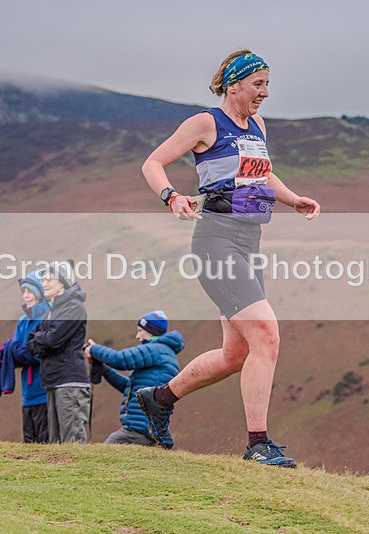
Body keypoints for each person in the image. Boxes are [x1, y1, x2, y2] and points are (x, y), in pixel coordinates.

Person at [136, 50, 320, 467]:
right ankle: (258, 444)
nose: (265, 93)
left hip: (249, 243)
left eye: (268, 84)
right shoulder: (205, 123)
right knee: (267, 335)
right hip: (215, 241)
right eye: (258, 84)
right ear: (233, 83)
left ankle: (160, 399)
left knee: (236, 355)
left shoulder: (257, 125)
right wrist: (172, 196)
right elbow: (153, 163)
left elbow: (262, 173)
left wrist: (292, 199)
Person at [83, 310, 182, 446]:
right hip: (144, 429)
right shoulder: (163, 352)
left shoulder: (156, 350)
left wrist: (94, 349)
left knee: (98, 457)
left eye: (140, 330)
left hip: (136, 430)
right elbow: (129, 387)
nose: (137, 336)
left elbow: (120, 359)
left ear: (151, 332)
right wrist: (104, 370)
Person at [26, 260, 90, 444]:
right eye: (43, 279)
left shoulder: (74, 308)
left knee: (73, 442)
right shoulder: (51, 311)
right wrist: (43, 338)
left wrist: (43, 338)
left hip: (70, 382)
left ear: (62, 282)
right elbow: (31, 342)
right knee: (56, 444)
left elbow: (53, 340)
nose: (44, 283)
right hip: (53, 381)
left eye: (49, 279)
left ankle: (79, 474)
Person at [0, 271, 49, 444]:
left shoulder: (47, 319)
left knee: (45, 444)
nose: (26, 296)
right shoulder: (22, 322)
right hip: (27, 394)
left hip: (44, 392)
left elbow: (38, 354)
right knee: (29, 444)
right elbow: (17, 354)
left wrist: (15, 351)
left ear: (39, 293)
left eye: (29, 291)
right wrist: (9, 353)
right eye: (23, 292)